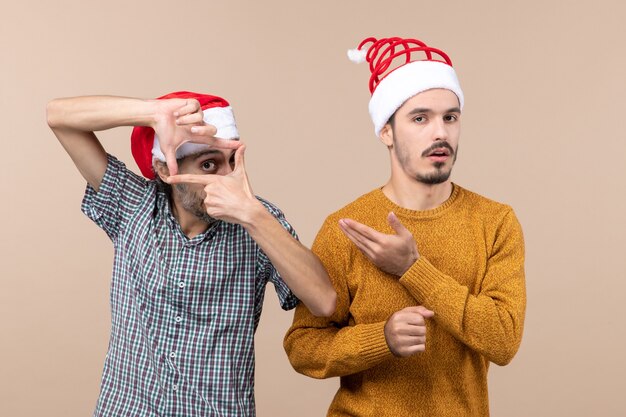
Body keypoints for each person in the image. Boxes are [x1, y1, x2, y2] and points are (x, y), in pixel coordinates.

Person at [46, 91, 336, 417]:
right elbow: (59, 117)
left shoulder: (259, 220)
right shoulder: (134, 206)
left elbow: (324, 301)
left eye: (231, 162)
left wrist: (253, 216)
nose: (227, 179)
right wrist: (153, 113)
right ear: (165, 169)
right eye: (209, 165)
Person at [284, 37, 526, 416]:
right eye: (420, 118)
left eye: (450, 117)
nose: (440, 133)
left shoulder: (495, 222)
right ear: (386, 131)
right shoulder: (347, 227)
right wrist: (381, 339)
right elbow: (303, 346)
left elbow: (504, 340)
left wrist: (414, 270)